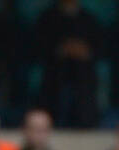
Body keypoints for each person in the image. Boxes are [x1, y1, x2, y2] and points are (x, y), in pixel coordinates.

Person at [34, 0, 103, 128]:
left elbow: (99, 48)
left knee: (84, 120)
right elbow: (37, 47)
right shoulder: (48, 18)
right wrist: (61, 49)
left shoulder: (88, 19)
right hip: (55, 82)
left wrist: (83, 51)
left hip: (83, 83)